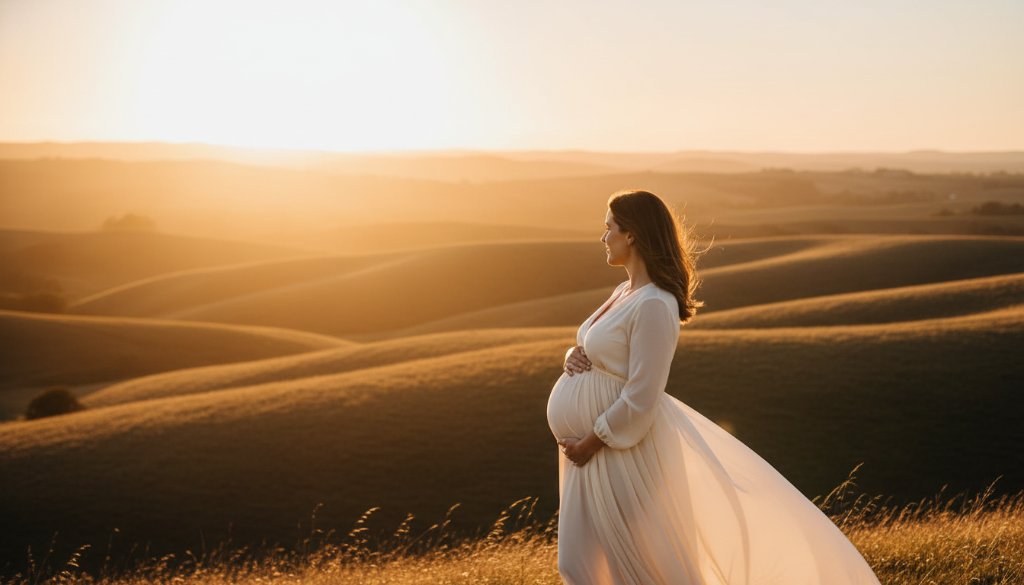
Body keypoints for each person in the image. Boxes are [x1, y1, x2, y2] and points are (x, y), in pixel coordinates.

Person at [545, 190, 881, 584]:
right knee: (579, 561)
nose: (604, 238)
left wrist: (591, 440)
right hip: (589, 452)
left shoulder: (655, 303)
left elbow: (643, 393)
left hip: (616, 451)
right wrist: (572, 353)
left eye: (609, 229)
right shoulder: (624, 292)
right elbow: (598, 345)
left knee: (630, 565)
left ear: (632, 234)